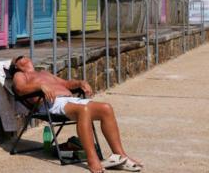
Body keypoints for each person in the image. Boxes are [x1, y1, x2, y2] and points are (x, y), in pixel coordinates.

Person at [8, 55, 143, 173]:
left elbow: (66, 84)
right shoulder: (20, 76)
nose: (23, 57)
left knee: (106, 108)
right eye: (19, 58)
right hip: (51, 104)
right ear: (16, 66)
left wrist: (80, 82)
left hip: (70, 100)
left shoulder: (44, 73)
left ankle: (120, 154)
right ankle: (92, 159)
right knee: (82, 111)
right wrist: (39, 87)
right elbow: (20, 89)